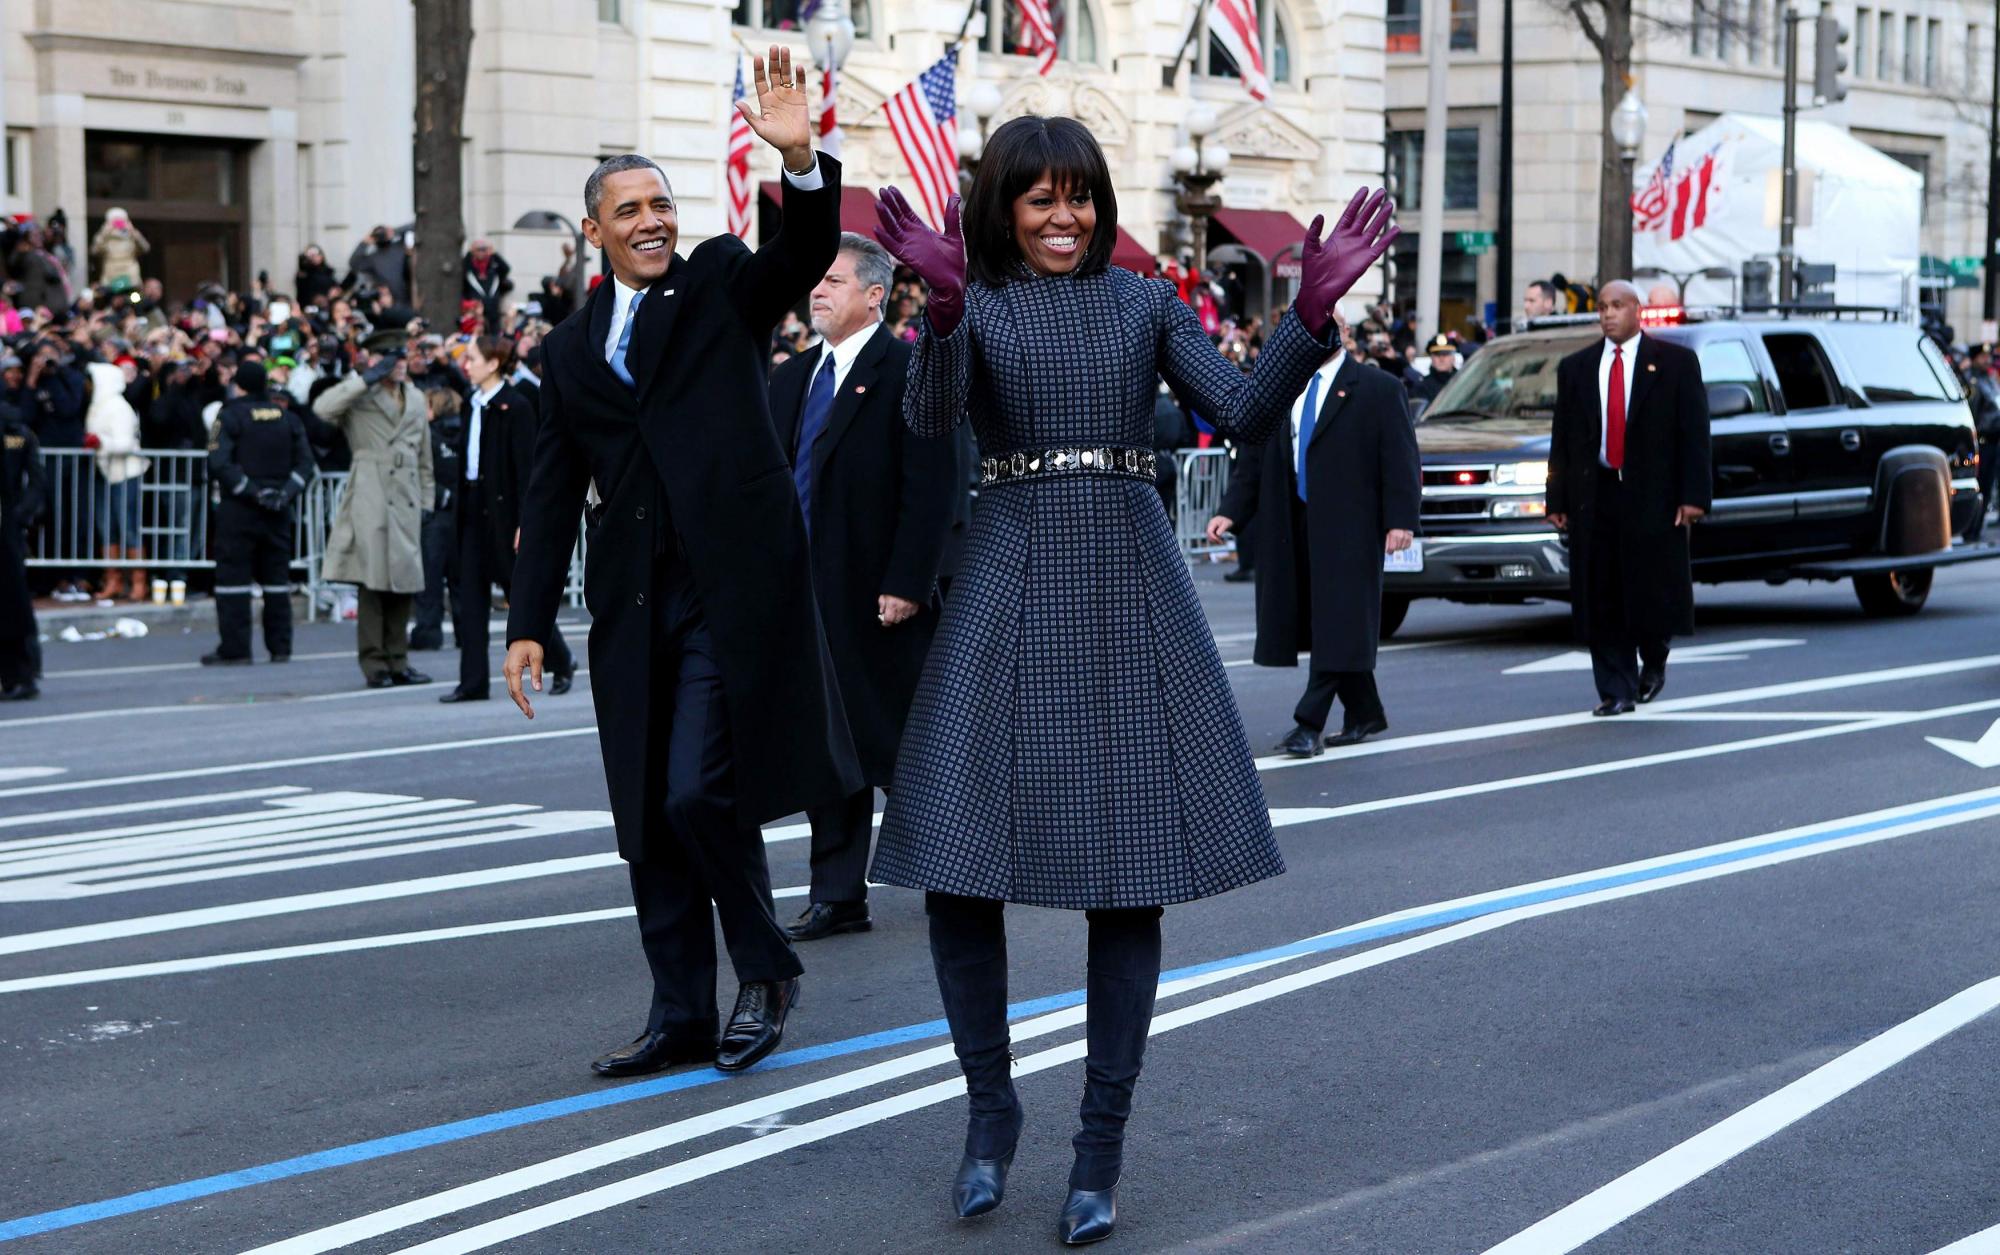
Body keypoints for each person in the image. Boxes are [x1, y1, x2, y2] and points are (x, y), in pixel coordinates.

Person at [868, 114, 1396, 1244]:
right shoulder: (977, 303)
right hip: (1005, 566)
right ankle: (987, 1113)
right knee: (960, 871)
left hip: (1123, 575)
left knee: (1127, 874)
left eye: (1081, 195)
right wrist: (947, 314)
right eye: (1038, 198)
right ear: (1002, 206)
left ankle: (1098, 1145)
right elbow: (924, 420)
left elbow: (1246, 415)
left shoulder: (1143, 303)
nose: (1064, 217)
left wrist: (1307, 315)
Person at [502, 48, 859, 1079]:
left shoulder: (716, 285)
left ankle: (766, 967)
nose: (653, 219)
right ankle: (679, 1013)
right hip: (630, 601)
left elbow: (796, 258)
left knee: (697, 794)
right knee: (644, 819)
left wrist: (798, 162)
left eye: (662, 201)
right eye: (631, 209)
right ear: (594, 232)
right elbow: (550, 487)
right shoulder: (566, 352)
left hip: (728, 588)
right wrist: (527, 623)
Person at [767, 233, 957, 941]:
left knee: (903, 748)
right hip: (806, 597)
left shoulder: (910, 370)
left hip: (881, 599)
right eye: (815, 282)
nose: (817, 291)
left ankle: (952, 873)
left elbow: (933, 486)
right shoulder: (791, 378)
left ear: (874, 295)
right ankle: (838, 894)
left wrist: (908, 579)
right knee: (828, 753)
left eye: (833, 281)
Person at [1209, 314, 1420, 756]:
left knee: (1339, 619)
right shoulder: (1275, 390)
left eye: (1329, 324)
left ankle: (1309, 723)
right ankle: (1364, 711)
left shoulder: (1377, 388)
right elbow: (1252, 463)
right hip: (1290, 525)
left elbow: (1400, 458)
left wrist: (1401, 519)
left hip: (1351, 528)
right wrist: (1229, 513)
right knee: (1321, 620)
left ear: (1344, 334)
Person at [1547, 279, 1712, 716]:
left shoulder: (1674, 363)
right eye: (1602, 306)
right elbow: (1561, 441)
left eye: (1617, 305)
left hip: (1652, 495)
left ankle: (1654, 655)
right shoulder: (1577, 368)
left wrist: (1693, 496)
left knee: (1652, 589)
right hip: (1595, 492)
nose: (1607, 314)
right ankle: (1615, 690)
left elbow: (1694, 435)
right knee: (1601, 591)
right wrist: (1557, 499)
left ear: (1637, 310)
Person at [441, 335, 575, 702]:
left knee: (524, 595)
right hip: (470, 512)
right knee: (469, 601)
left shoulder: (515, 406)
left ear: (493, 363)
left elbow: (528, 469)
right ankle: (472, 682)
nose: (465, 365)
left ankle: (561, 661)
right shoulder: (472, 404)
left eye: (472, 358)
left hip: (502, 516)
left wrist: (524, 522)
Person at [313, 330, 435, 688]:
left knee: (404, 582)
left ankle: (399, 660)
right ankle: (374, 663)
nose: (400, 365)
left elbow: (424, 455)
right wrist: (364, 377)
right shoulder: (361, 393)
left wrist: (427, 498)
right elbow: (323, 408)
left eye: (402, 358)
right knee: (374, 581)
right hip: (372, 491)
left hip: (406, 492)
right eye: (392, 358)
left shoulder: (414, 396)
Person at [202, 362, 315, 665]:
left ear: (239, 386)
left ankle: (236, 648)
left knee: (233, 581)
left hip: (239, 510)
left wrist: (251, 492)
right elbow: (306, 465)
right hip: (278, 511)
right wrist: (283, 494)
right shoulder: (288, 418)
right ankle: (280, 647)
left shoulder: (229, 416)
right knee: (277, 581)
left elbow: (218, 462)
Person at [83, 359, 149, 601]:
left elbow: (125, 443)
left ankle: (139, 582)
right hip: (105, 473)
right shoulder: (98, 406)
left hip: (125, 474)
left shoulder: (118, 407)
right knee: (107, 528)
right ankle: (113, 580)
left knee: (128, 528)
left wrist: (101, 442)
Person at [410, 387, 461, 652]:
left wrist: (441, 496)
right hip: (463, 514)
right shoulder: (466, 432)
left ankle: (428, 633)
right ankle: (466, 633)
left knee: (430, 579)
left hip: (436, 512)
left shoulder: (427, 436)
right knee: (461, 579)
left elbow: (423, 473)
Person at [0, 405, 42, 700]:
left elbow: (34, 480)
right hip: (8, 522)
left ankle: (22, 672)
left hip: (5, 526)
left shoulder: (13, 427)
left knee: (11, 600)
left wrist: (19, 516)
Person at [1964, 344, 2000, 542]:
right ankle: (1970, 529)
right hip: (1982, 442)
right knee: (1978, 486)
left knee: (1987, 487)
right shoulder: (1974, 382)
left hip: (1994, 442)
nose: (1987, 359)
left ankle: (1977, 528)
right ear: (1976, 358)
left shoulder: (1990, 380)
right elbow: (1973, 413)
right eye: (1983, 356)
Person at [89, 209, 150, 291]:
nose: (118, 223)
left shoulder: (132, 236)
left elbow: (145, 248)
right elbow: (94, 250)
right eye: (115, 221)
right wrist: (104, 233)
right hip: (111, 273)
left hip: (130, 273)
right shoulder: (105, 237)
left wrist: (134, 233)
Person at [462, 239, 514, 331]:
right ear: (473, 251)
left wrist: (494, 253)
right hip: (475, 308)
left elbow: (506, 269)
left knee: (494, 332)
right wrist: (469, 253)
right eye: (479, 249)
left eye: (484, 249)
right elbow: (463, 267)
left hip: (493, 308)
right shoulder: (469, 267)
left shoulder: (493, 266)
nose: (482, 252)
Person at [1409, 333, 1458, 403]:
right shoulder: (1422, 386)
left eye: (1445, 354)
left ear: (1453, 358)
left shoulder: (1463, 381)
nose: (1441, 359)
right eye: (1437, 355)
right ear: (1431, 358)